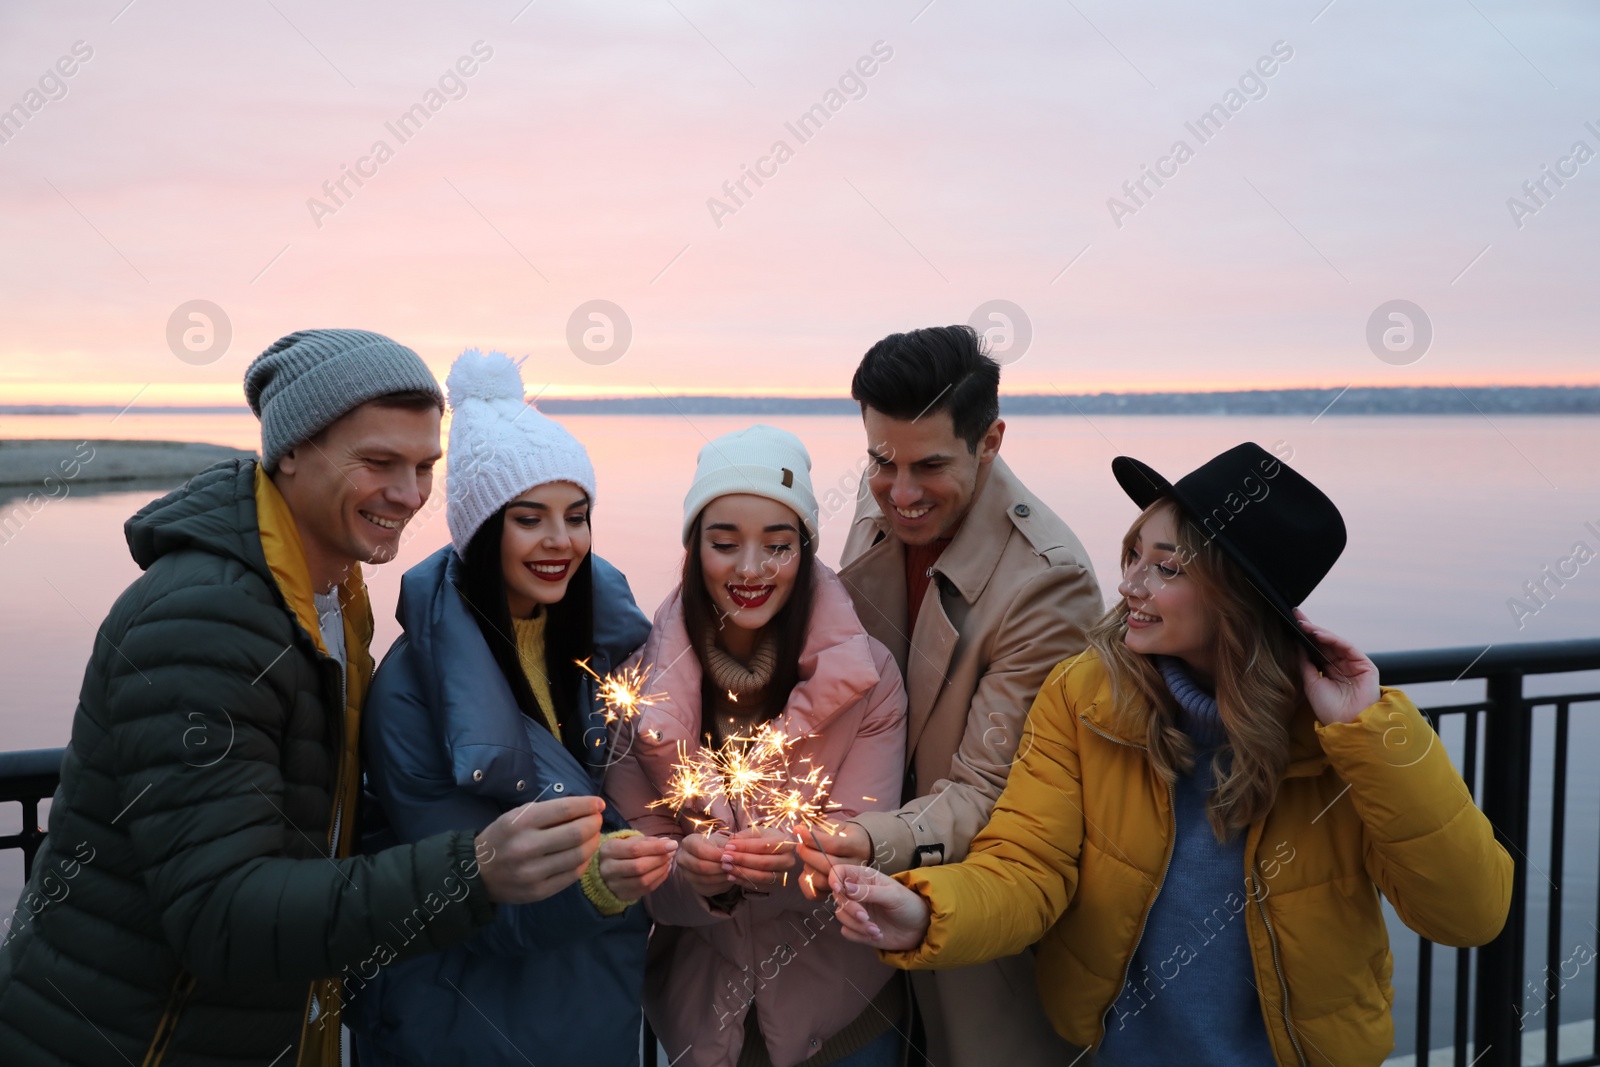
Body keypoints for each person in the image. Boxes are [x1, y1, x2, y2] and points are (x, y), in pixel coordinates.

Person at [0, 330, 610, 1067]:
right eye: (378, 462)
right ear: (290, 450)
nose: (410, 494)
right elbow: (221, 912)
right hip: (140, 1040)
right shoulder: (204, 618)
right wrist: (472, 870)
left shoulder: (332, 603)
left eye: (424, 466)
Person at [826, 443, 1515, 1065]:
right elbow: (1027, 867)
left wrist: (1369, 734)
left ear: (1235, 597)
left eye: (1167, 567)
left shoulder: (1343, 738)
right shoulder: (1084, 695)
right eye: (1134, 555)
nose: (1129, 584)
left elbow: (1469, 913)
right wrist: (923, 909)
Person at [347, 350, 670, 1065]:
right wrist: (594, 879)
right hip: (472, 1018)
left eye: (577, 516)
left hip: (593, 1001)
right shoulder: (411, 691)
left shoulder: (606, 651)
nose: (561, 540)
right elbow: (458, 887)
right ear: (482, 530)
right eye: (530, 519)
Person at [795, 324, 1104, 1066]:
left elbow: (988, 788)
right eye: (880, 461)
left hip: (979, 948)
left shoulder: (1048, 583)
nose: (900, 493)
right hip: (861, 933)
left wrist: (868, 839)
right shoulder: (884, 512)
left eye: (929, 465)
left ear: (990, 439)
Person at [605, 425, 909, 1067]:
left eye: (777, 545)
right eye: (724, 543)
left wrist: (795, 861)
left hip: (844, 1019)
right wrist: (693, 878)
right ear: (693, 550)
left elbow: (863, 837)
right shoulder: (639, 687)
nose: (750, 569)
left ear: (805, 550)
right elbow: (638, 859)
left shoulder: (868, 680)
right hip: (699, 1020)